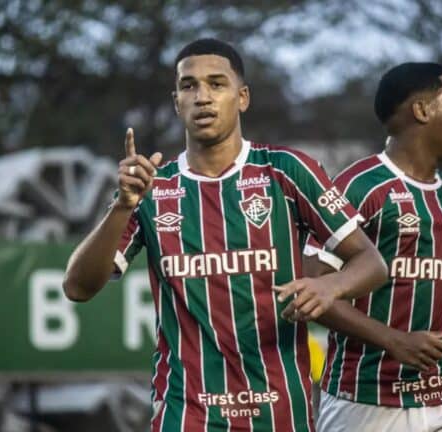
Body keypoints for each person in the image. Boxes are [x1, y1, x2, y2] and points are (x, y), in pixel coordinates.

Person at [62, 38, 388, 432]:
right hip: (187, 412)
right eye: (189, 86)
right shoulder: (151, 189)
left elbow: (372, 262)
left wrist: (331, 287)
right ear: (176, 101)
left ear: (243, 97)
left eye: (217, 84)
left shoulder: (285, 170)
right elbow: (77, 287)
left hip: (279, 409)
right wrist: (122, 205)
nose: (202, 97)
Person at [302, 62, 442, 432]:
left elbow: (439, 295)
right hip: (369, 397)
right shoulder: (357, 187)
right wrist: (394, 341)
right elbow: (312, 290)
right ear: (421, 111)